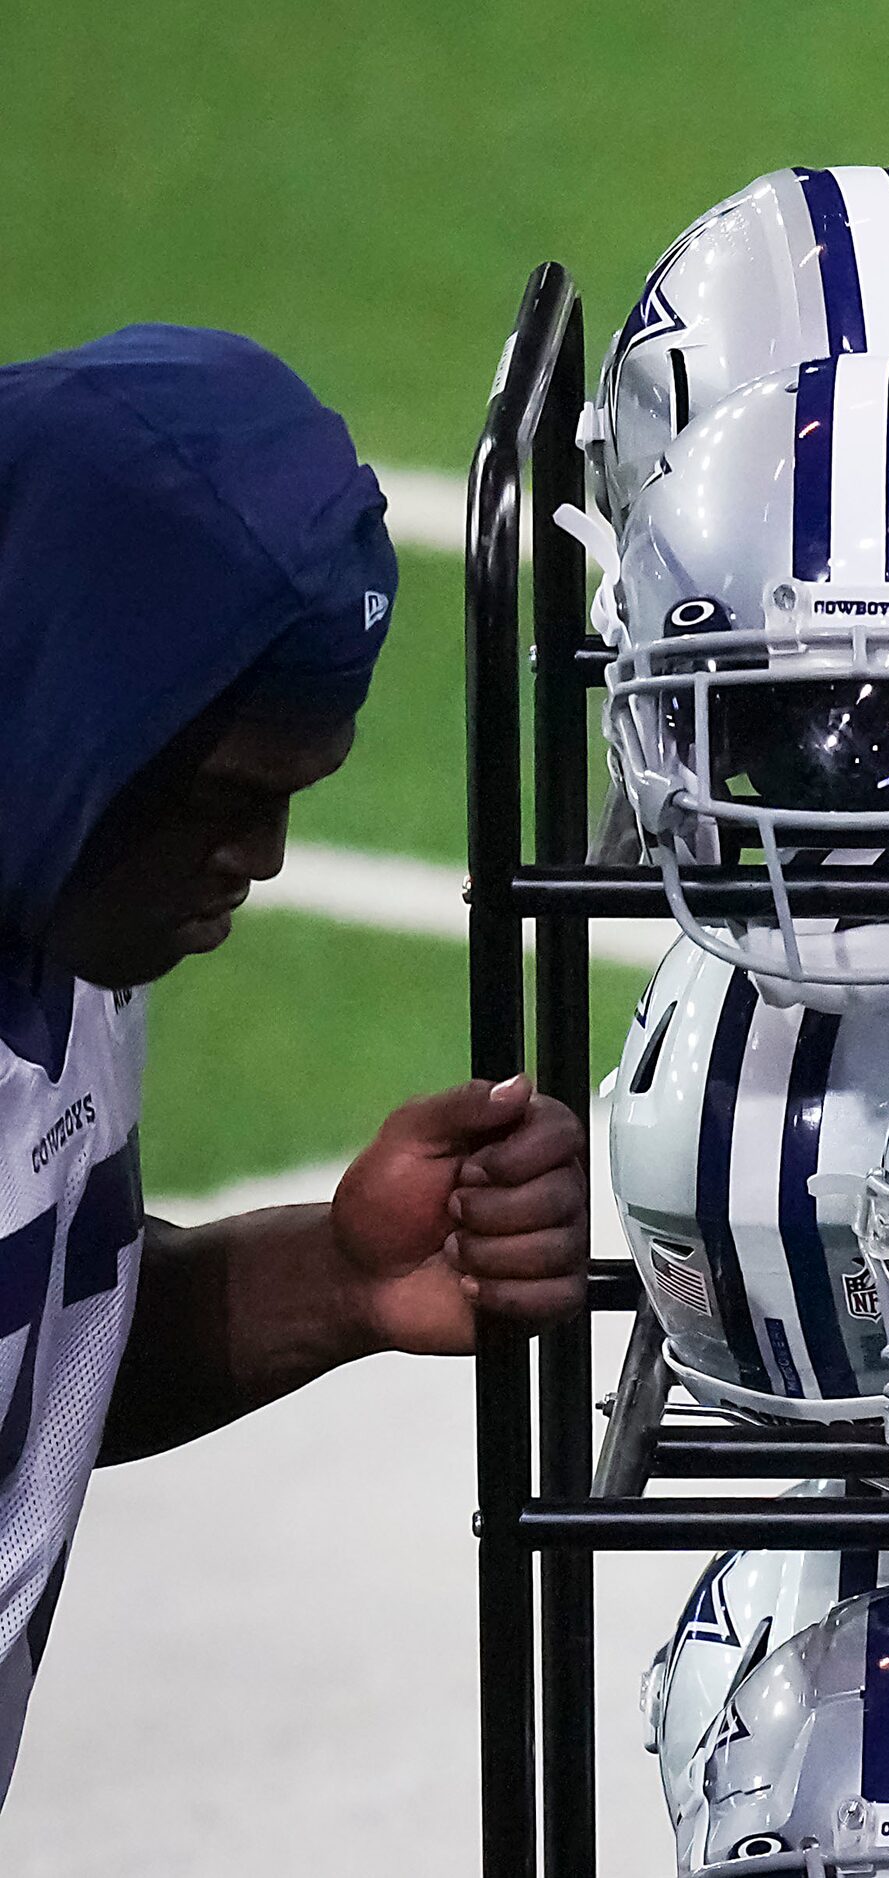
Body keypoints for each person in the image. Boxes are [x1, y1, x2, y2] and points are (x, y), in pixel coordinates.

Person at [0, 325, 590, 1797]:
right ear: (57, 707)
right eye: (220, 793)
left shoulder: (62, 930)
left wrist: (335, 1280)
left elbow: (36, 1373)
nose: (260, 858)